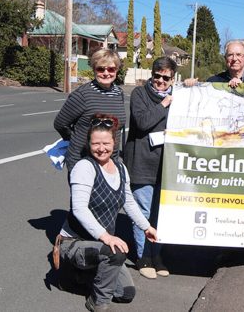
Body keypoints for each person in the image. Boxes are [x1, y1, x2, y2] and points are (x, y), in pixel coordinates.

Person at [55, 114, 157, 311]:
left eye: (106, 143)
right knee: (114, 252)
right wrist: (106, 236)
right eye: (96, 143)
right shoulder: (84, 167)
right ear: (89, 143)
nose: (101, 148)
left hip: (100, 243)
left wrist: (146, 227)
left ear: (114, 142)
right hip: (74, 242)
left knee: (125, 294)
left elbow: (128, 201)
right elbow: (79, 209)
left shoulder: (120, 167)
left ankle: (87, 275)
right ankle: (97, 301)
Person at [124, 57, 177, 279]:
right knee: (143, 213)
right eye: (157, 76)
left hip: (165, 166)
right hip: (141, 163)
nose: (161, 81)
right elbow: (143, 122)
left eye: (166, 78)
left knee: (161, 215)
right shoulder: (139, 94)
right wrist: (164, 105)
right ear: (152, 74)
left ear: (173, 78)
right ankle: (143, 256)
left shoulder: (179, 97)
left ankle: (157, 256)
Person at [54, 49, 127, 174]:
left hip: (110, 161)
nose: (106, 73)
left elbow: (117, 128)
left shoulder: (118, 93)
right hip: (83, 161)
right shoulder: (83, 95)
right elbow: (60, 124)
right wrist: (79, 142)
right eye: (100, 69)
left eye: (111, 69)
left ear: (117, 70)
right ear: (94, 69)